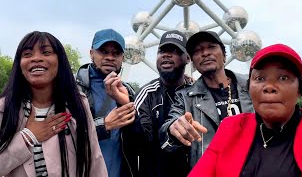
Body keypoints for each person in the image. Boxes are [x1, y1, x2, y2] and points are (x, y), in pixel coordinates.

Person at [189, 43, 302, 177]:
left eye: (283, 78)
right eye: (260, 78)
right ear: (249, 87)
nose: (269, 87)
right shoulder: (230, 128)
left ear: (299, 89)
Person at [0, 31, 107, 176]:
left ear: (60, 61)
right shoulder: (4, 109)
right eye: (27, 54)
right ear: (19, 65)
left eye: (46, 52)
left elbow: (94, 159)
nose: (36, 58)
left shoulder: (77, 104)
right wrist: (28, 137)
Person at [159, 30, 254, 168]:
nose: (205, 53)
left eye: (211, 47)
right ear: (193, 62)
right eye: (197, 51)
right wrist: (173, 129)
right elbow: (168, 131)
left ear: (224, 55)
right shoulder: (186, 98)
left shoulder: (251, 85)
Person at [131, 30, 193, 177]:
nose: (166, 55)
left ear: (188, 58)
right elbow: (139, 144)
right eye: (162, 51)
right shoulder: (146, 93)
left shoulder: (196, 92)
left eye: (174, 51)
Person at [75, 29, 136, 177]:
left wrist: (125, 104)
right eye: (103, 51)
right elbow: (63, 136)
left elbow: (139, 141)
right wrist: (104, 125)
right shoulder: (71, 88)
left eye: (116, 53)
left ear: (122, 58)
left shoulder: (129, 91)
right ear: (91, 53)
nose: (110, 57)